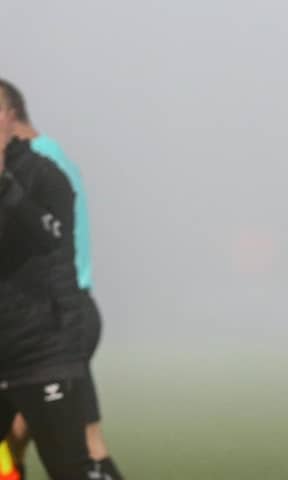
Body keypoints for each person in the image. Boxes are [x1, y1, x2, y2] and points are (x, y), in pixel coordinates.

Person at [0, 78, 123, 480]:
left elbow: (49, 239)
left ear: (9, 116)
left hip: (56, 315)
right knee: (47, 438)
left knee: (62, 444)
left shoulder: (38, 160)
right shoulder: (53, 155)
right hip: (59, 311)